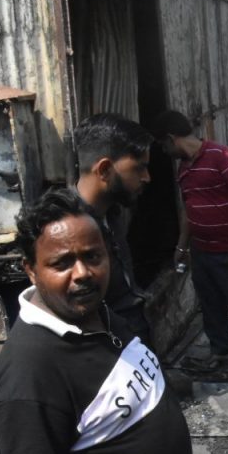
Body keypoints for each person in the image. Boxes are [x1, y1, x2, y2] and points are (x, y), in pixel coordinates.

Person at [0, 188, 216, 454]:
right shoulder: (29, 371)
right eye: (61, 263)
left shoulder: (102, 316)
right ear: (31, 269)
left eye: (92, 256)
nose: (83, 273)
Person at [150, 109, 228, 372]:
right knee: (211, 303)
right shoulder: (184, 167)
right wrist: (182, 246)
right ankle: (220, 349)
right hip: (201, 250)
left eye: (163, 144)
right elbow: (188, 207)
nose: (163, 151)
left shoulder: (220, 155)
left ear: (172, 138)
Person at [74, 113, 153, 341]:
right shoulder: (71, 230)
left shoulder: (113, 212)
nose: (147, 177)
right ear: (105, 170)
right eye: (139, 168)